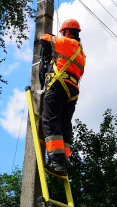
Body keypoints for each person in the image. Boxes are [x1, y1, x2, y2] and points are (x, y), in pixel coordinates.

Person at [39, 19, 86, 176]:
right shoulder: (81, 52)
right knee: (65, 123)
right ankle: (64, 161)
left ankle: (57, 162)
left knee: (50, 119)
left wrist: (52, 36)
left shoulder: (64, 42)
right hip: (73, 90)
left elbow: (44, 38)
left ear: (66, 32)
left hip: (59, 84)